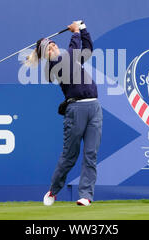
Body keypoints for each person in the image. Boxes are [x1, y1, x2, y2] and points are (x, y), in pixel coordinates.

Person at [25, 21, 102, 207]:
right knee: (70, 156)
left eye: (53, 44)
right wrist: (75, 32)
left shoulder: (70, 58)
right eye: (49, 47)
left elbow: (87, 49)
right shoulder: (53, 66)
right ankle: (53, 190)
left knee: (90, 154)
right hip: (75, 110)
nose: (53, 47)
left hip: (94, 107)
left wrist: (83, 30)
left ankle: (85, 195)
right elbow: (74, 49)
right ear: (46, 55)